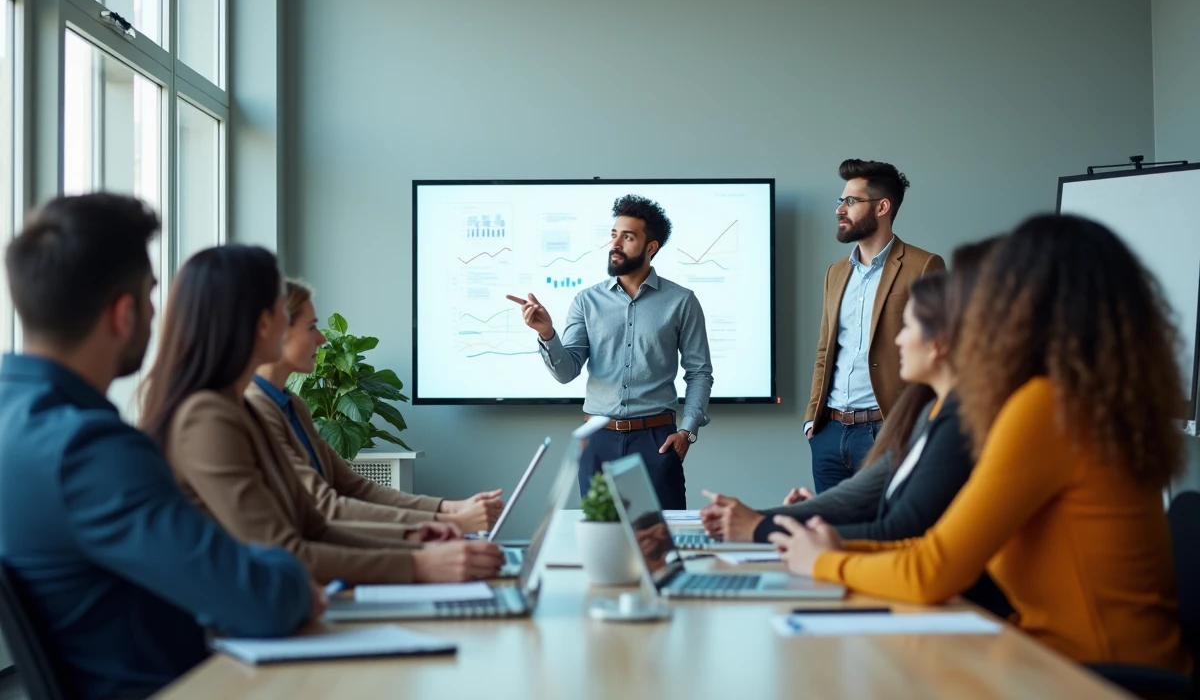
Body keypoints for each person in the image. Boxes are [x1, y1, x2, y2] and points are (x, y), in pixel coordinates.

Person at [772, 215, 1190, 674]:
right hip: (1063, 659)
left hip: (1091, 677)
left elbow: (933, 569)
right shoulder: (1086, 401)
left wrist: (828, 561)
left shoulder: (1046, 407)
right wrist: (835, 551)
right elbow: (938, 551)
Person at [0, 194, 316, 700]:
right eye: (151, 294)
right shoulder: (90, 450)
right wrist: (285, 570)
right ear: (124, 314)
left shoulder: (15, 420)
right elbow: (261, 601)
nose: (157, 313)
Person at [140, 245, 505, 585]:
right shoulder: (207, 418)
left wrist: (416, 541)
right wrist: (420, 563)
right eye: (285, 312)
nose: (319, 338)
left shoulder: (244, 408)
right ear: (261, 323)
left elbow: (313, 525)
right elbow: (283, 550)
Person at [701, 239, 996, 544]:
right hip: (832, 427)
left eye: (906, 327)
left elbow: (899, 531)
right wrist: (762, 519)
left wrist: (765, 528)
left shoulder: (958, 422)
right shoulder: (923, 413)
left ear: (939, 342)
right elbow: (860, 496)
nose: (896, 341)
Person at [248, 279, 504, 533]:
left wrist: (451, 508)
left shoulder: (292, 403)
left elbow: (355, 487)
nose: (322, 338)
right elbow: (325, 507)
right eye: (312, 327)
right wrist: (452, 524)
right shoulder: (257, 408)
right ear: (277, 331)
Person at [507, 194, 713, 510]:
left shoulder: (682, 301)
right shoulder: (586, 301)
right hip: (598, 439)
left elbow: (699, 372)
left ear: (650, 247)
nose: (615, 244)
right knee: (599, 540)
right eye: (614, 234)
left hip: (656, 439)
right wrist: (547, 333)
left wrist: (688, 431)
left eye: (628, 237)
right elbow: (566, 372)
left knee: (661, 543)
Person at [805, 159, 944, 493]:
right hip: (829, 434)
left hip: (888, 430)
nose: (840, 209)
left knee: (884, 534)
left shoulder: (924, 266)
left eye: (850, 201)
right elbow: (825, 350)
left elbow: (939, 356)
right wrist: (813, 420)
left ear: (882, 207)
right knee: (833, 536)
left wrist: (913, 428)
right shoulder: (835, 273)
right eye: (840, 201)